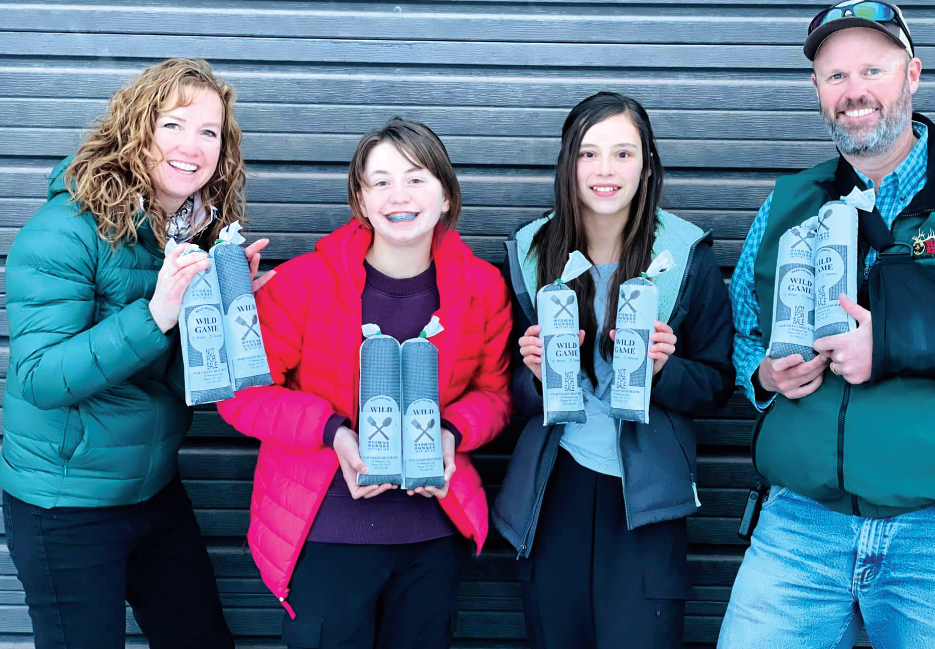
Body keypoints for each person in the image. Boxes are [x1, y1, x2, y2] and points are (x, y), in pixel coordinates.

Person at [719, 0, 935, 648]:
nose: (855, 92)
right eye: (836, 76)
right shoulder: (788, 202)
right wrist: (764, 376)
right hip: (801, 523)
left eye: (873, 70)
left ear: (913, 75)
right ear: (817, 90)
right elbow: (744, 329)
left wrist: (898, 340)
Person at [2, 58, 270, 648]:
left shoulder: (192, 233)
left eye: (209, 131)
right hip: (65, 503)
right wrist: (156, 313)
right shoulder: (64, 230)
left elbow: (177, 383)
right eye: (173, 124)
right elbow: (40, 378)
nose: (192, 146)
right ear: (136, 129)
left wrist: (225, 315)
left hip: (152, 488)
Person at [216, 117, 513, 649]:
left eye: (417, 178)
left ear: (446, 195)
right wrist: (333, 433)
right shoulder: (303, 283)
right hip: (326, 530)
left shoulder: (481, 287)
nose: (400, 195)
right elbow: (243, 395)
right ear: (360, 199)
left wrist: (450, 433)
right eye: (381, 181)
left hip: (432, 533)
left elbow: (495, 394)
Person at [491, 92, 735, 649]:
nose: (605, 170)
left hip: (644, 498)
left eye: (623, 153)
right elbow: (507, 392)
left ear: (646, 165)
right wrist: (534, 375)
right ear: (567, 164)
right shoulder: (529, 253)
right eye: (589, 153)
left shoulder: (684, 254)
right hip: (553, 490)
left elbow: (717, 383)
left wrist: (664, 371)